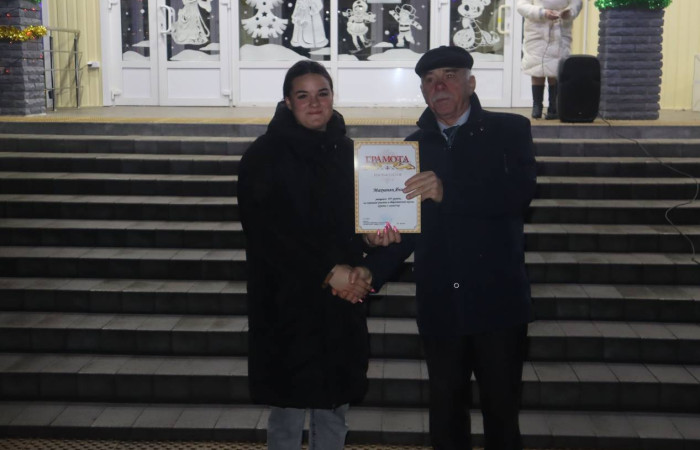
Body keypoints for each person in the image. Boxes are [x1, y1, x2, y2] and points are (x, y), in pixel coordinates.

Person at [351, 46, 537, 449]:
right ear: (422, 91)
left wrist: (447, 191)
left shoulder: (510, 131)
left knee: (502, 417)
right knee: (446, 418)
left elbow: (517, 195)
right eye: (430, 81)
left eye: (450, 76)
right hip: (441, 307)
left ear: (471, 82)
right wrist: (372, 258)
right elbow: (407, 230)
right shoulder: (411, 149)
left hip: (499, 305)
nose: (439, 86)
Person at [238, 60, 376, 450]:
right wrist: (327, 271)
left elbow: (357, 225)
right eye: (303, 95)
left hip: (338, 304)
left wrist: (369, 251)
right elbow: (266, 235)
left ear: (333, 97)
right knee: (286, 412)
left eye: (322, 93)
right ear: (287, 102)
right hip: (286, 305)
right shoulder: (263, 156)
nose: (314, 103)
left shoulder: (349, 153)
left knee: (335, 409)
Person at [517, 0, 582, 119]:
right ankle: (537, 105)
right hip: (536, 32)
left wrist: (569, 12)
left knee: (556, 69)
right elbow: (521, 6)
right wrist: (542, 13)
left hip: (561, 30)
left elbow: (576, 3)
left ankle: (554, 106)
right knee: (536, 68)